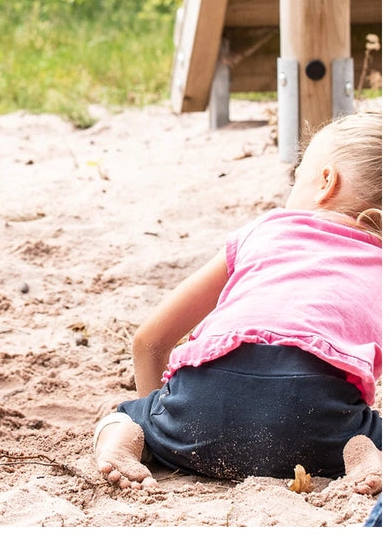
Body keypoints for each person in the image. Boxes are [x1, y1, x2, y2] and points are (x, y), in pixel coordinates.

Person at [94, 111, 383, 492]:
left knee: (119, 418)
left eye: (297, 179)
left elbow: (148, 340)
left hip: (199, 409)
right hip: (316, 424)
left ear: (325, 183)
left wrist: (164, 420)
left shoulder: (263, 230)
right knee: (367, 427)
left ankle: (130, 438)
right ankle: (361, 449)